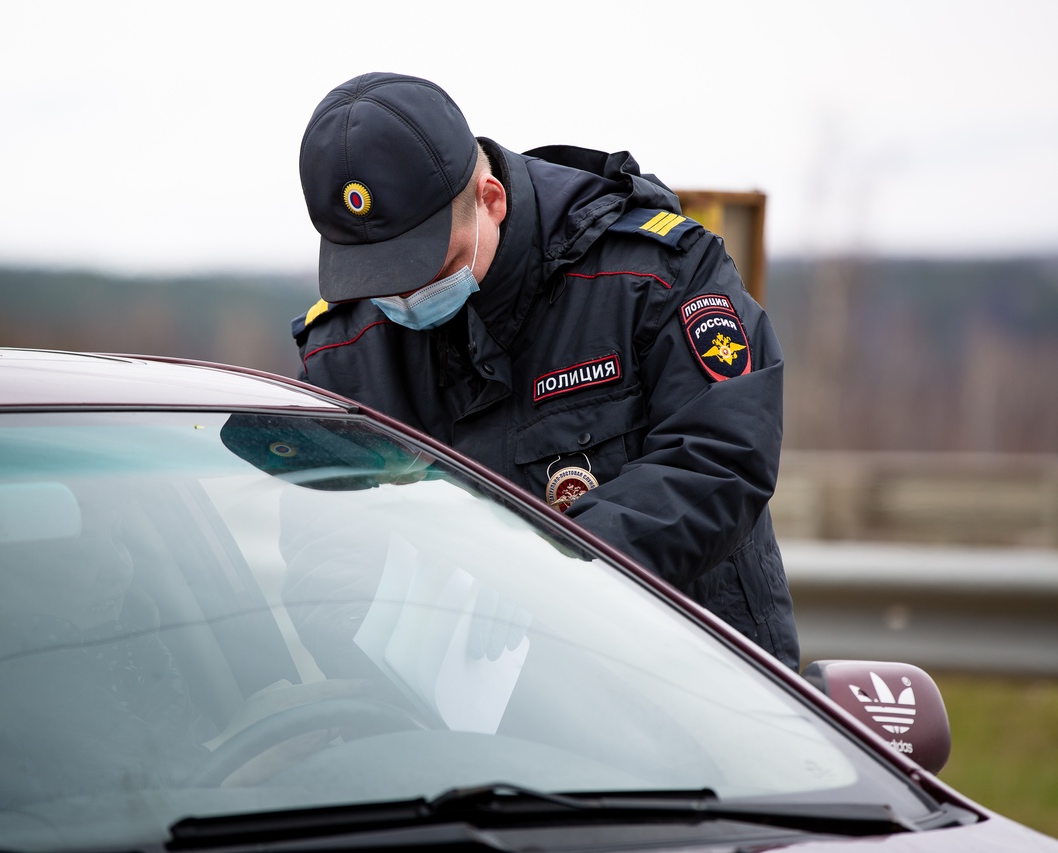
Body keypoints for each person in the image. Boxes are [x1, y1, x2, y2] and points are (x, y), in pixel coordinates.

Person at [291, 72, 799, 669]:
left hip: (688, 689)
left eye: (430, 264)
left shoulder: (649, 277)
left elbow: (721, 457)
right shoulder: (342, 347)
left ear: (491, 201)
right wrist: (364, 661)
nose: (403, 295)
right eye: (379, 275)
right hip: (459, 733)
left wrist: (551, 568)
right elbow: (320, 543)